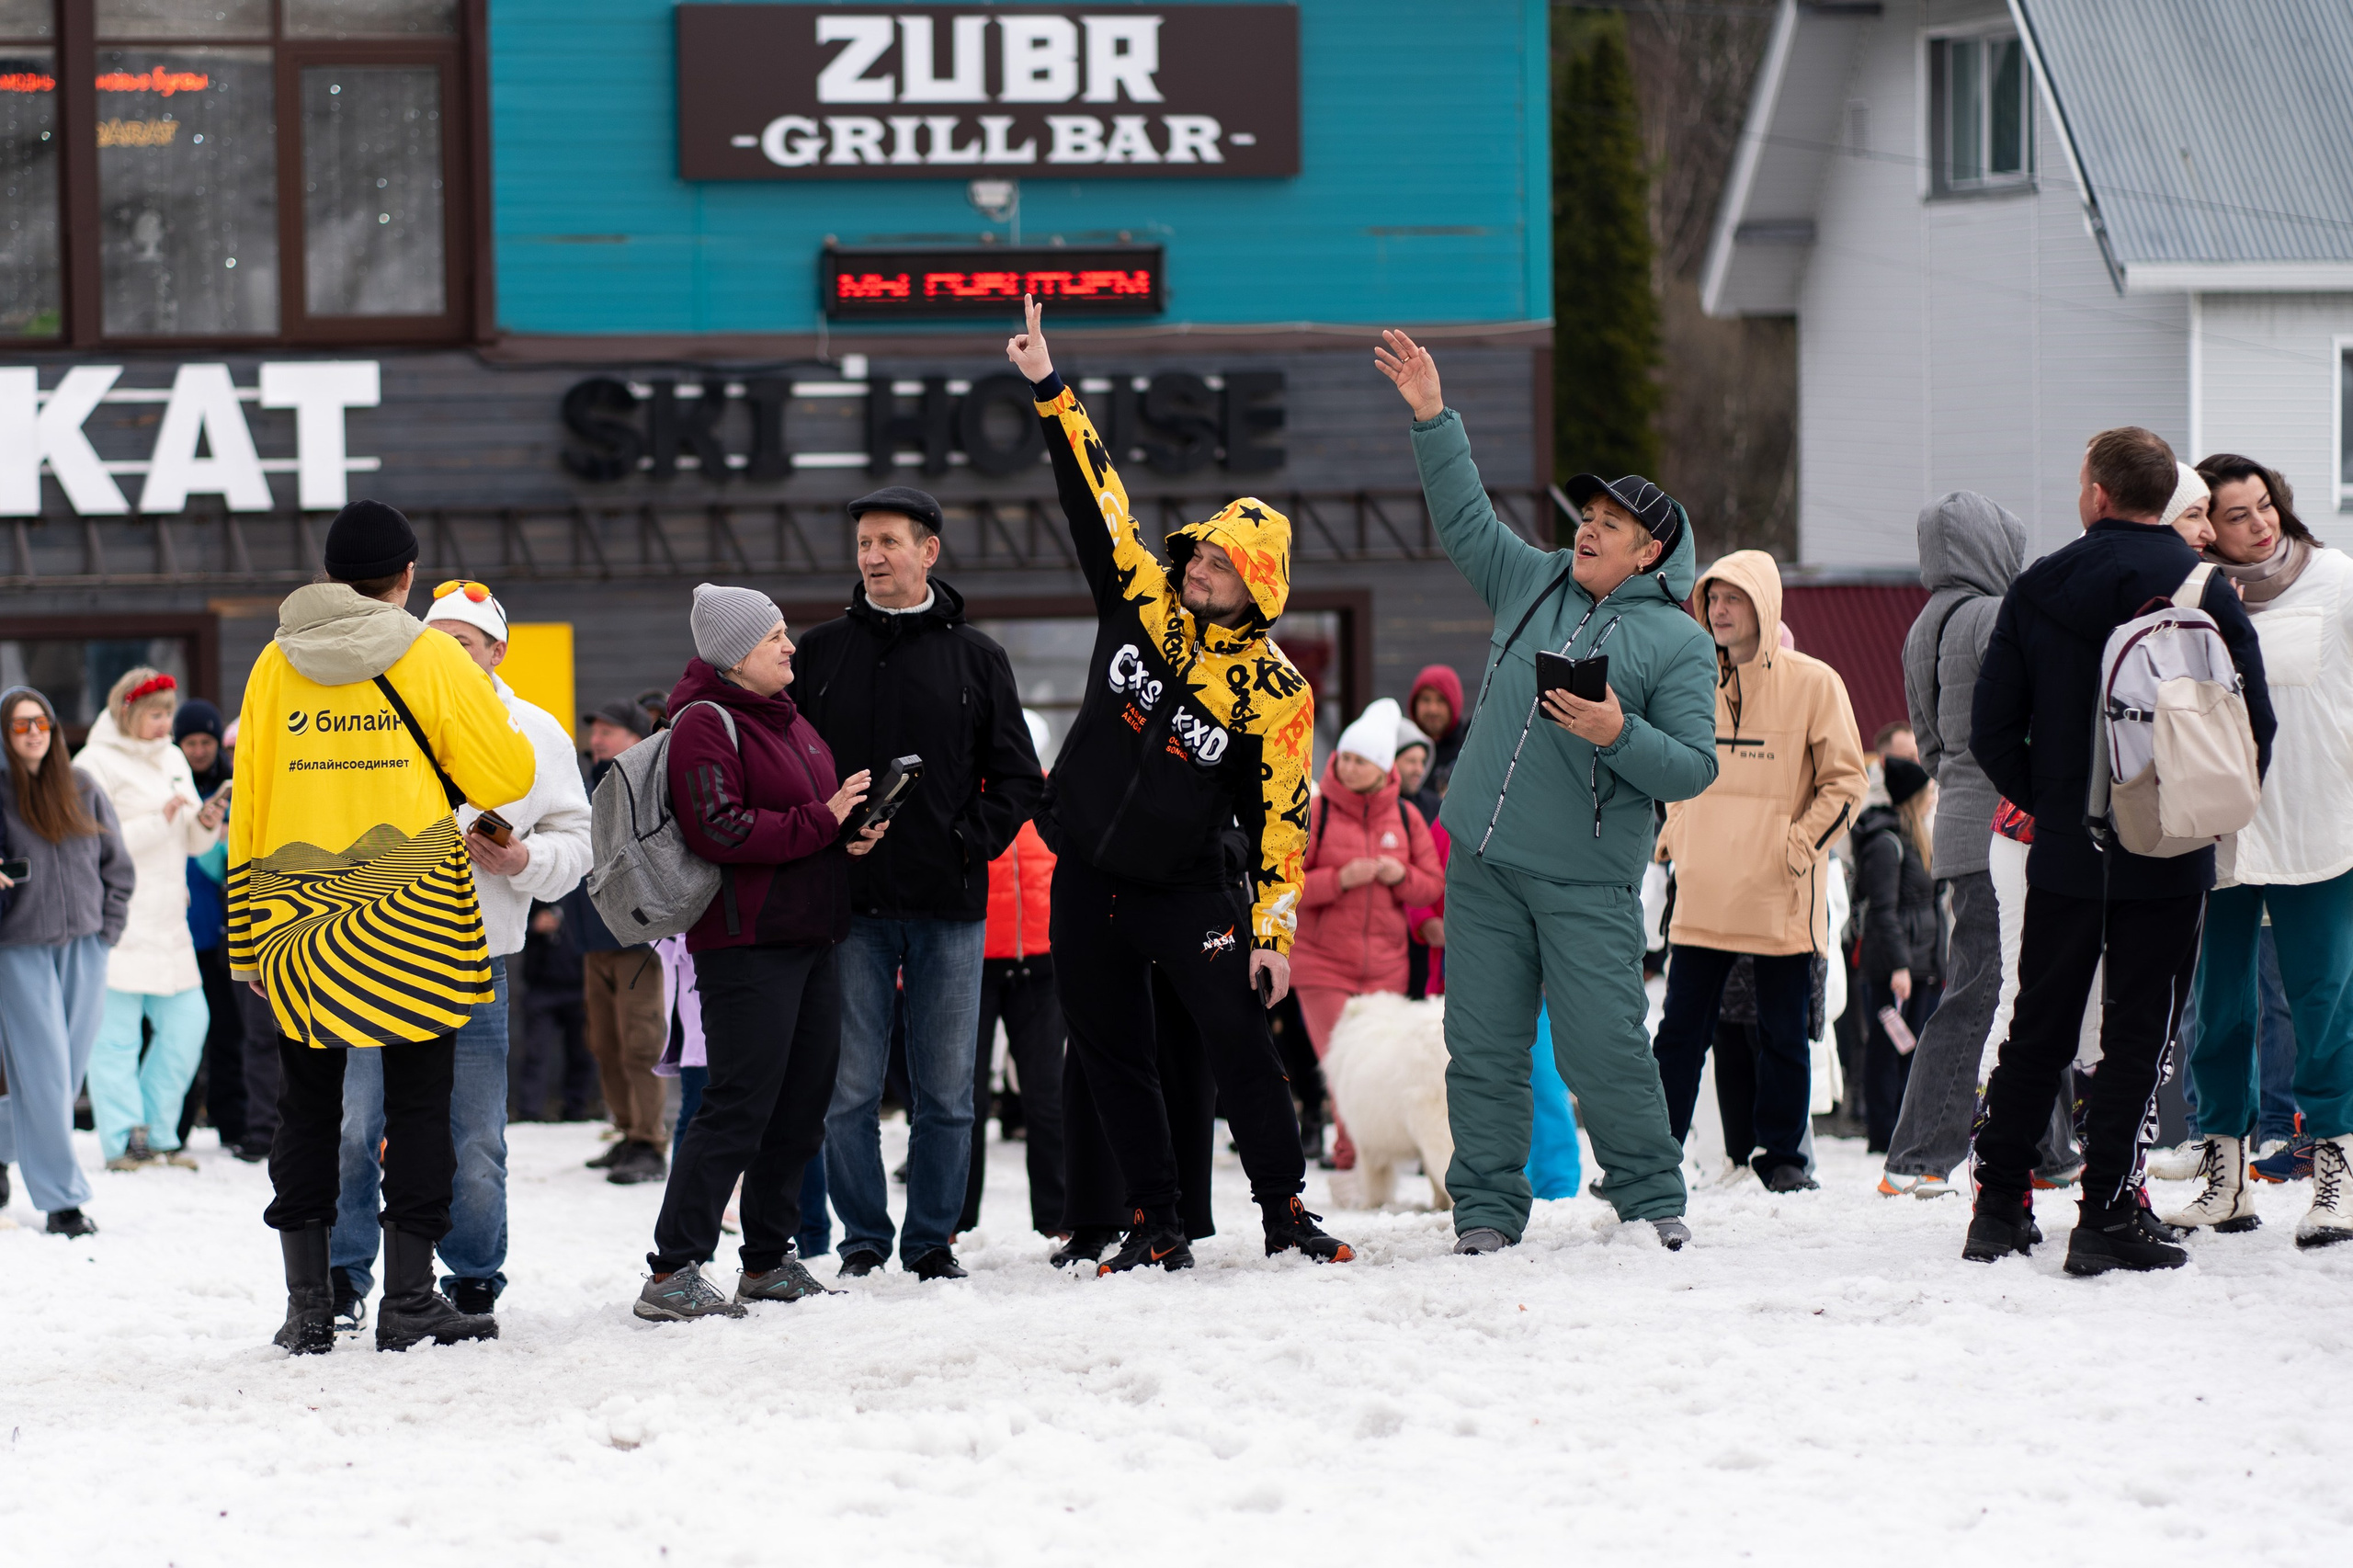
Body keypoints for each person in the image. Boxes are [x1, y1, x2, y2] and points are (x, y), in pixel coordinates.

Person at [1013, 296, 1353, 1274]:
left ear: (1261, 586)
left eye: (1223, 562)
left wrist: (1272, 933)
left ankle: (1284, 1206)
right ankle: (1153, 1217)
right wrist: (1049, 387)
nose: (1201, 566)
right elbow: (1098, 495)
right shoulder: (1140, 596)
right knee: (1110, 1050)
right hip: (1085, 868)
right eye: (1201, 551)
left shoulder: (1277, 691)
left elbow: (1286, 819)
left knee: (1237, 1041)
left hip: (1186, 888)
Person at [1377, 327, 1718, 1254]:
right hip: (1481, 861)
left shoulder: (1682, 643)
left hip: (1583, 878)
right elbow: (1464, 521)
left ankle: (1650, 1196)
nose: (1588, 527)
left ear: (1651, 552)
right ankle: (1486, 1205)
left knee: (1602, 1047)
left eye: (1610, 523)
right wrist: (1432, 417)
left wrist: (1619, 731)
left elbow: (1693, 764)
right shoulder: (1531, 581)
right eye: (1587, 514)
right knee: (1480, 1050)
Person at [230, 500, 539, 1353]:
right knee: (420, 1102)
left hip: (297, 918)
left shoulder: (273, 663)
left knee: (307, 1111)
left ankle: (307, 1309)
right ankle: (407, 1301)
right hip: (419, 921)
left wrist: (248, 938)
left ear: (331, 575)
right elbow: (507, 771)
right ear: (406, 577)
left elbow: (248, 808)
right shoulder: (433, 656)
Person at [1965, 428, 2275, 1274]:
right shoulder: (2206, 586)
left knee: (2041, 1026)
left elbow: (1990, 729)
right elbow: (2256, 729)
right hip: (2168, 848)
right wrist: (2187, 815)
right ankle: (2104, 1214)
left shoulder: (2037, 587)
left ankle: (1997, 1207)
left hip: (2068, 847)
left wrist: (2062, 807)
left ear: (2097, 493)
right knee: (2140, 1031)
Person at [793, 485, 1044, 1280]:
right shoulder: (821, 652)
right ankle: (863, 1240)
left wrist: (966, 843)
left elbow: (1016, 779)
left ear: (928, 551)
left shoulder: (979, 657)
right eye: (864, 542)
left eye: (889, 542)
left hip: (950, 905)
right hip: (849, 905)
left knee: (948, 1094)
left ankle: (931, 1242)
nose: (873, 556)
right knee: (849, 1092)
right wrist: (827, 831)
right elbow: (793, 768)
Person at [330, 579, 594, 1323]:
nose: (443, 656)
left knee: (474, 1135)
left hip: (477, 962)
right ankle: (345, 1277)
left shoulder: (537, 731)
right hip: (371, 956)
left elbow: (581, 842)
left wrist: (523, 864)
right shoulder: (370, 722)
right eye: (432, 641)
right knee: (356, 1126)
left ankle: (474, 1275)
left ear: (498, 652)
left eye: (462, 644)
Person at [631, 585, 888, 1322]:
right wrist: (822, 818)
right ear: (735, 655)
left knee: (802, 1107)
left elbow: (804, 827)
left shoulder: (793, 723)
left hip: (813, 936)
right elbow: (721, 830)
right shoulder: (703, 725)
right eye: (774, 635)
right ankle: (672, 1270)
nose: (789, 645)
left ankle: (768, 1259)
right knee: (738, 1105)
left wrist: (849, 832)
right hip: (746, 944)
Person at [2164, 454, 2353, 1246]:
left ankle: (2336, 1171)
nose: (2259, 523)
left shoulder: (2337, 580)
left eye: (2265, 504)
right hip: (2222, 831)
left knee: (2324, 1003)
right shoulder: (2187, 596)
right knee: (2220, 1010)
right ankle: (2223, 1177)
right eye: (2237, 514)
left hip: (2320, 825)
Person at [1651, 550, 1867, 1193]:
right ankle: (1653, 1159)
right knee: (1680, 1037)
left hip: (1779, 891)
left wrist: (1797, 848)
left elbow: (1847, 783)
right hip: (1704, 893)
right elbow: (1672, 769)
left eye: (1733, 599)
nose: (1717, 610)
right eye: (1712, 599)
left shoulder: (1815, 682)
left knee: (1782, 1035)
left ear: (1765, 607)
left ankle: (1782, 1160)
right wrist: (1677, 834)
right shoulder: (1687, 681)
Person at [1881, 494, 2029, 1197]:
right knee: (1985, 993)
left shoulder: (1922, 627)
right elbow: (2024, 722)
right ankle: (1920, 1152)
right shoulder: (1998, 617)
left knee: (2008, 987)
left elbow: (1929, 744)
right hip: (2007, 825)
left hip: (1957, 823)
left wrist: (1962, 785)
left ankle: (2047, 1145)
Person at [74, 670, 224, 1172]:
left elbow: (190, 843)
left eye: (168, 714)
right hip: (116, 920)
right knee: (114, 1037)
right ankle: (123, 1140)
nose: (167, 725)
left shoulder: (173, 757)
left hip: (168, 920)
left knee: (188, 1025)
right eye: (157, 715)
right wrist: (156, 820)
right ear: (128, 713)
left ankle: (160, 1133)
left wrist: (204, 823)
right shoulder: (93, 763)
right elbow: (89, 842)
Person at [1290, 698, 1446, 1169]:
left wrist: (1399, 876)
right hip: (1322, 965)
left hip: (1386, 965)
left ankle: (1366, 1158)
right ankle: (1351, 1158)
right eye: (1345, 757)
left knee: (1377, 1066)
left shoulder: (1406, 817)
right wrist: (1342, 878)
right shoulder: (1315, 811)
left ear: (1382, 767)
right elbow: (1285, 884)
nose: (1347, 765)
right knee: (1344, 1066)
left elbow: (1432, 883)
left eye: (1360, 760)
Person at [0, 686, 131, 1237]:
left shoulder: (82, 786)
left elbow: (116, 864)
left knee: (63, 1072)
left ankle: (3, 1147)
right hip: (19, 948)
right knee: (47, 1072)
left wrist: (108, 930)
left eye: (43, 723)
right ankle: (63, 1203)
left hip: (86, 946)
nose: (34, 733)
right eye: (21, 725)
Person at [961, 751, 1069, 1244]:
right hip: (976, 960)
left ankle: (1060, 1214)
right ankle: (954, 1219)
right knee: (965, 1098)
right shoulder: (967, 786)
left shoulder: (1051, 794)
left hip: (1042, 962)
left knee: (1047, 1093)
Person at [574, 698, 671, 1185]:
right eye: (595, 730)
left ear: (636, 740)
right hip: (594, 939)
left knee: (640, 1044)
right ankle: (628, 1131)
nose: (597, 739)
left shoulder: (648, 784)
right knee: (605, 1045)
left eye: (609, 731)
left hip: (639, 941)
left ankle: (650, 1143)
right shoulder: (584, 786)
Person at [1853, 757, 1939, 1152]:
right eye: (1928, 790)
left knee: (1913, 1049)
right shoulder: (1887, 845)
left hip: (1921, 964)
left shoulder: (1915, 837)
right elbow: (1884, 910)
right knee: (1887, 1051)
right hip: (1895, 967)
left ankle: (1904, 1131)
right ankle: (1882, 1133)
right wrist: (1901, 965)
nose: (1933, 795)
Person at [173, 698, 244, 1150]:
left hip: (221, 930)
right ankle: (173, 1125)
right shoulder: (167, 787)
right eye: (190, 741)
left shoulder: (233, 787)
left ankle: (232, 1123)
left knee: (227, 1030)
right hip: (176, 928)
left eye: (206, 741)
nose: (199, 750)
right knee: (176, 1035)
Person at [1406, 664, 1468, 793]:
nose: (1432, 709)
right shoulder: (1400, 750)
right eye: (1426, 700)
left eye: (1441, 701)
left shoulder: (1469, 751)